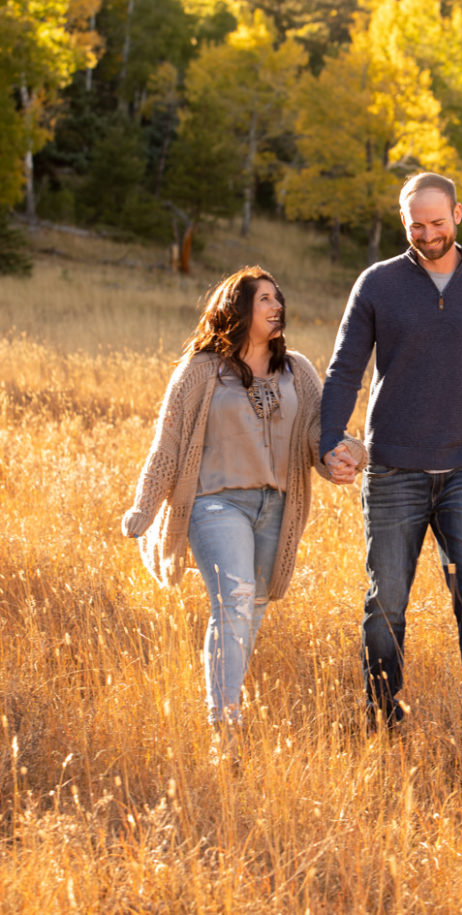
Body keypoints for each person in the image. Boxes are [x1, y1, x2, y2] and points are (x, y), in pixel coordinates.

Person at [319, 172, 462, 740]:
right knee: (386, 601)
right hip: (393, 469)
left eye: (438, 223)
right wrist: (328, 443)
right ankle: (381, 713)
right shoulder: (377, 284)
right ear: (404, 223)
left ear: (458, 216)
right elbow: (345, 369)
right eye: (417, 225)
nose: (428, 234)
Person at [122, 265, 365, 757]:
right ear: (239, 309)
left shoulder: (298, 369)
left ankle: (224, 706)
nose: (277, 307)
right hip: (216, 504)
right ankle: (225, 729)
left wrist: (344, 454)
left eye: (279, 298)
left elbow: (320, 434)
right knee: (233, 602)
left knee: (249, 614)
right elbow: (167, 445)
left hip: (276, 507)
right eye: (265, 300)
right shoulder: (199, 370)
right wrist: (144, 506)